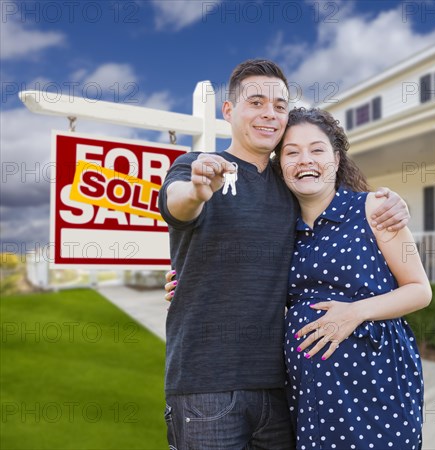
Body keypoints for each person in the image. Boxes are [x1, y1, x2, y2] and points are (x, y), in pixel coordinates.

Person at [158, 59, 410, 450]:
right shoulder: (196, 167)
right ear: (228, 111)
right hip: (206, 384)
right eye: (255, 102)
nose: (269, 114)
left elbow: (329, 199)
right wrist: (197, 190)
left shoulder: (289, 184)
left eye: (279, 106)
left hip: (284, 387)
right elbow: (178, 206)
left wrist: (394, 203)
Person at [273, 107, 431, 449]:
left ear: (336, 158)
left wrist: (355, 311)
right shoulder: (280, 229)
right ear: (280, 164)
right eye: (292, 152)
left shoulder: (374, 208)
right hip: (309, 394)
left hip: (377, 384)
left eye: (317, 149)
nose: (305, 160)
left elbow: (420, 291)